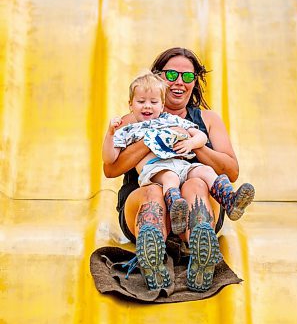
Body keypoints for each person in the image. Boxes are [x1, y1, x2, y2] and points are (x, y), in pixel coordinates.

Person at [103, 47, 253, 293]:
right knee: (154, 192)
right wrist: (153, 138)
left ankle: (200, 248)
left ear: (195, 81)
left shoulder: (207, 119)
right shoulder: (132, 121)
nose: (179, 82)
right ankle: (152, 251)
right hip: (143, 203)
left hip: (196, 201)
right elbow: (110, 169)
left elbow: (232, 171)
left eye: (188, 76)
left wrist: (190, 142)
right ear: (157, 78)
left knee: (196, 184)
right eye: (171, 75)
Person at [102, 72, 255, 239]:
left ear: (162, 105)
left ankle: (230, 200)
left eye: (153, 102)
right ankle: (177, 211)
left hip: (182, 165)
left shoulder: (171, 120)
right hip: (156, 168)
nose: (147, 106)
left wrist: (190, 143)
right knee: (170, 179)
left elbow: (200, 136)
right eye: (141, 102)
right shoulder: (128, 128)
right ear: (131, 104)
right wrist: (110, 135)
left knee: (204, 172)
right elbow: (109, 161)